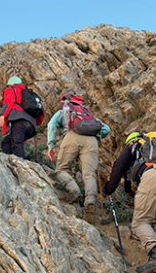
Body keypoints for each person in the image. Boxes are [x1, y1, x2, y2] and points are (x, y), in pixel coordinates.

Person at [103, 132, 156, 273]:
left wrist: (109, 188)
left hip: (155, 174)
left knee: (140, 222)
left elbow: (120, 165)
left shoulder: (135, 145)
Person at [47, 92, 110, 224]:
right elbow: (106, 129)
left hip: (71, 136)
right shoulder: (89, 114)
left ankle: (74, 190)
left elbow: (51, 125)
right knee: (89, 174)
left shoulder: (65, 110)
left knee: (61, 169)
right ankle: (90, 202)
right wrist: (95, 136)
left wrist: (51, 145)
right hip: (91, 141)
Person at [0, 76, 45, 158]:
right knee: (7, 142)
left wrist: (3, 115)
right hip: (31, 127)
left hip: (19, 122)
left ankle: (20, 165)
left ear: (11, 84)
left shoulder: (12, 89)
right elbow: (41, 112)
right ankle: (9, 162)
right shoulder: (29, 95)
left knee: (17, 144)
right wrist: (34, 123)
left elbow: (9, 102)